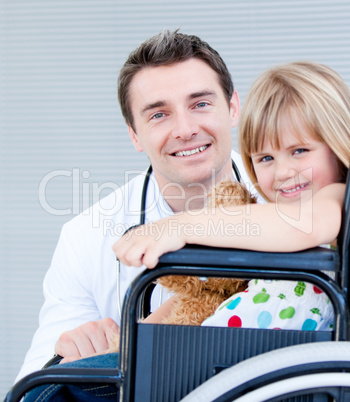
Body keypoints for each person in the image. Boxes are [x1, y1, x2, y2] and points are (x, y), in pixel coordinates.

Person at [14, 29, 256, 383]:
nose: (185, 129)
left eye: (201, 104)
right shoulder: (84, 237)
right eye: (159, 115)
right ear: (134, 134)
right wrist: (65, 358)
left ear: (233, 108)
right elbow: (34, 385)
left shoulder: (293, 201)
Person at [114, 61, 350, 331]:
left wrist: (179, 226)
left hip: (257, 367)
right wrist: (127, 344)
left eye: (300, 151)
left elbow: (303, 224)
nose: (283, 172)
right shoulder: (271, 228)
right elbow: (208, 294)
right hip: (220, 354)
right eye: (266, 158)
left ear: (337, 143)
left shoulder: (337, 199)